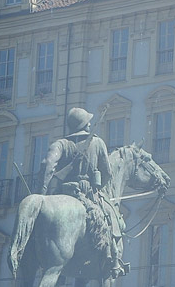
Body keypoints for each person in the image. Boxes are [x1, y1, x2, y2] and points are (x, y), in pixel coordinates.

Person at [41, 107, 126, 277]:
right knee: (111, 219)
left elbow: (48, 164)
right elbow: (107, 173)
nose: (89, 125)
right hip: (88, 194)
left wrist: (44, 191)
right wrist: (98, 187)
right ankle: (114, 260)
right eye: (88, 122)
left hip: (63, 193)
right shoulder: (97, 142)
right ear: (85, 125)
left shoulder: (61, 144)